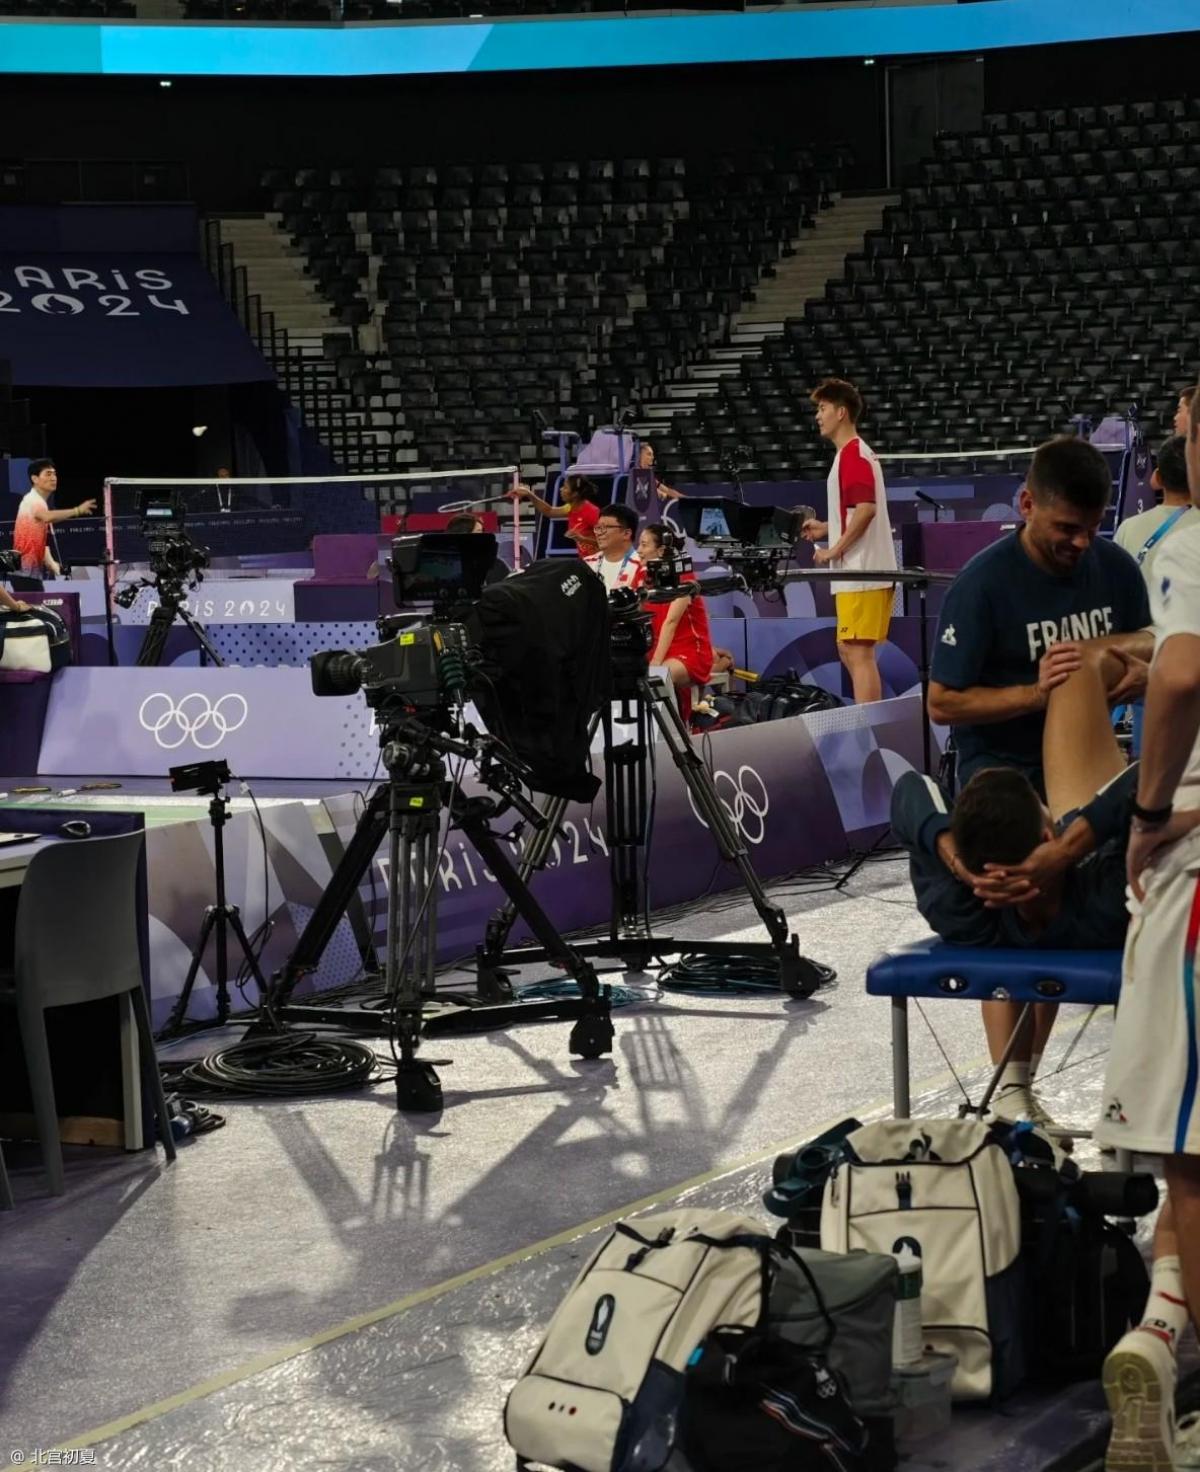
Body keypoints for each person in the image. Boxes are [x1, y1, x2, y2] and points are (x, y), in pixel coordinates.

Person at [928, 435, 1154, 1131]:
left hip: (1081, 759)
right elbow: (943, 702)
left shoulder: (1113, 567)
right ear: (1026, 504)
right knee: (1015, 900)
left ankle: (1025, 1082)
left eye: (1091, 528)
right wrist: (1035, 691)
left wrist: (1117, 665)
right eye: (1066, 528)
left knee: (1066, 900)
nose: (1080, 543)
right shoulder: (982, 584)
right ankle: (1011, 1086)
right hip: (1002, 773)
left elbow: (1152, 638)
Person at [1095, 412, 1200, 1472]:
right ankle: (1162, 1332)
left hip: (1196, 870)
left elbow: (1177, 675)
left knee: (1197, 1156)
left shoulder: (1185, 541)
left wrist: (1151, 806)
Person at [800, 378, 897, 705]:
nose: (818, 416)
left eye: (822, 408)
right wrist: (827, 528)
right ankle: (868, 720)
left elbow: (867, 511)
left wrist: (833, 550)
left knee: (857, 652)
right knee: (850, 649)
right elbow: (856, 512)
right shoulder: (850, 454)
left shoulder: (854, 454)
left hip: (863, 572)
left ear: (841, 412)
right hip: (859, 572)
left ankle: (869, 725)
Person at [637, 523, 714, 714]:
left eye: (644, 545)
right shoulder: (644, 577)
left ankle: (668, 730)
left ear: (661, 550)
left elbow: (671, 622)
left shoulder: (683, 577)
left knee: (656, 679)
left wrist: (656, 663)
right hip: (657, 648)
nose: (639, 550)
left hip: (689, 650)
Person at [13, 459, 95, 581]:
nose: (53, 478)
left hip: (29, 573)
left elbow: (39, 541)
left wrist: (51, 563)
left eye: (54, 474)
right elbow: (48, 516)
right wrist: (77, 510)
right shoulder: (33, 500)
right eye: (48, 474)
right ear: (35, 479)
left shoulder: (39, 502)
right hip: (24, 573)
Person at [509, 474, 600, 558]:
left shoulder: (592, 512)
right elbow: (549, 511)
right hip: (586, 560)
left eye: (565, 487)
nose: (561, 489)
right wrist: (529, 494)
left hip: (599, 561)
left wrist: (582, 538)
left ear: (575, 494)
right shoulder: (570, 508)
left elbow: (607, 541)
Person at [584, 503, 643, 593]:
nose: (599, 533)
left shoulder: (642, 566)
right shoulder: (586, 564)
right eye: (598, 528)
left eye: (605, 527)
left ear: (626, 534)